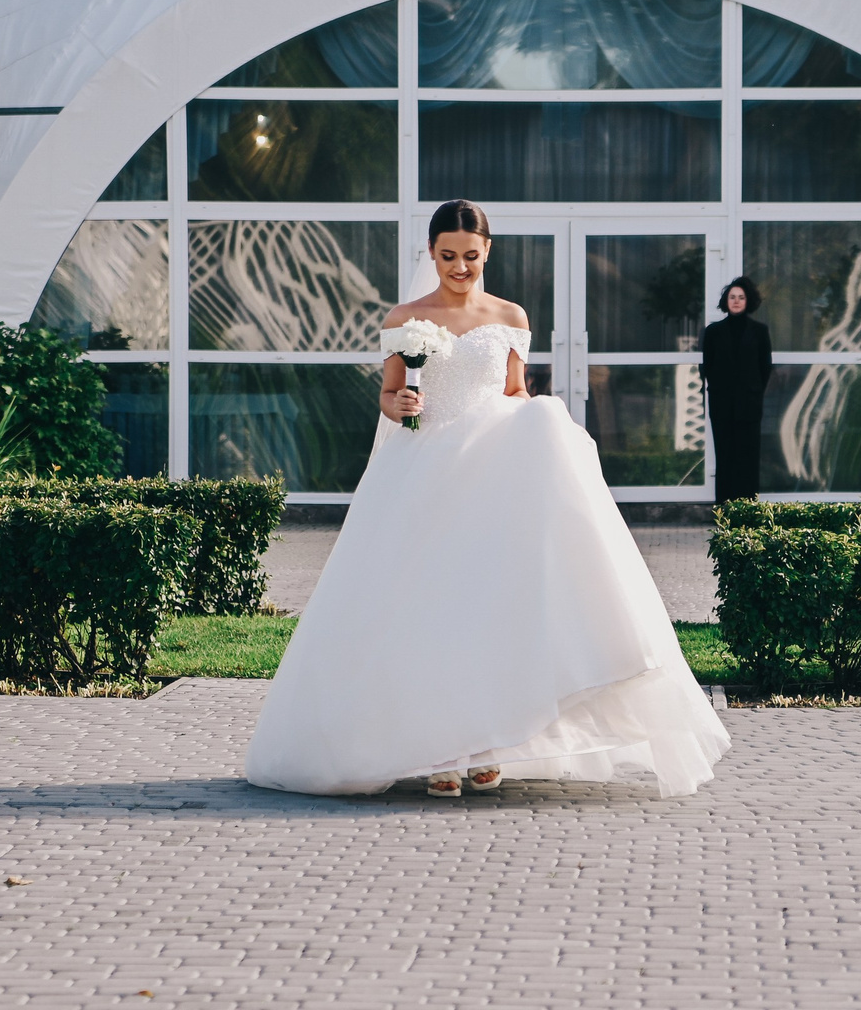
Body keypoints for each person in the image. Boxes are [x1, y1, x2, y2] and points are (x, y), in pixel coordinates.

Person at [241, 199, 732, 800]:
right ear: (431, 253)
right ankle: (438, 750)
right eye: (447, 256)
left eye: (470, 256)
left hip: (492, 475)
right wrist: (399, 405)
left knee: (491, 605)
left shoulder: (510, 316)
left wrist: (540, 434)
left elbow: (515, 391)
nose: (459, 267)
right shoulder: (407, 317)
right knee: (426, 605)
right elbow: (390, 393)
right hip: (423, 472)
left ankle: (487, 744)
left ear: (487, 252)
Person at [699, 276, 772, 503]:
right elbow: (706, 366)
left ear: (748, 300)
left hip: (749, 405)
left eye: (741, 297)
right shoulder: (713, 332)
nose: (737, 301)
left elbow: (765, 367)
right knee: (725, 456)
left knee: (748, 457)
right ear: (726, 301)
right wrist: (718, 390)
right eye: (732, 297)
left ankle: (748, 509)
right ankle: (723, 509)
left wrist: (754, 391)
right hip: (721, 405)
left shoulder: (760, 331)